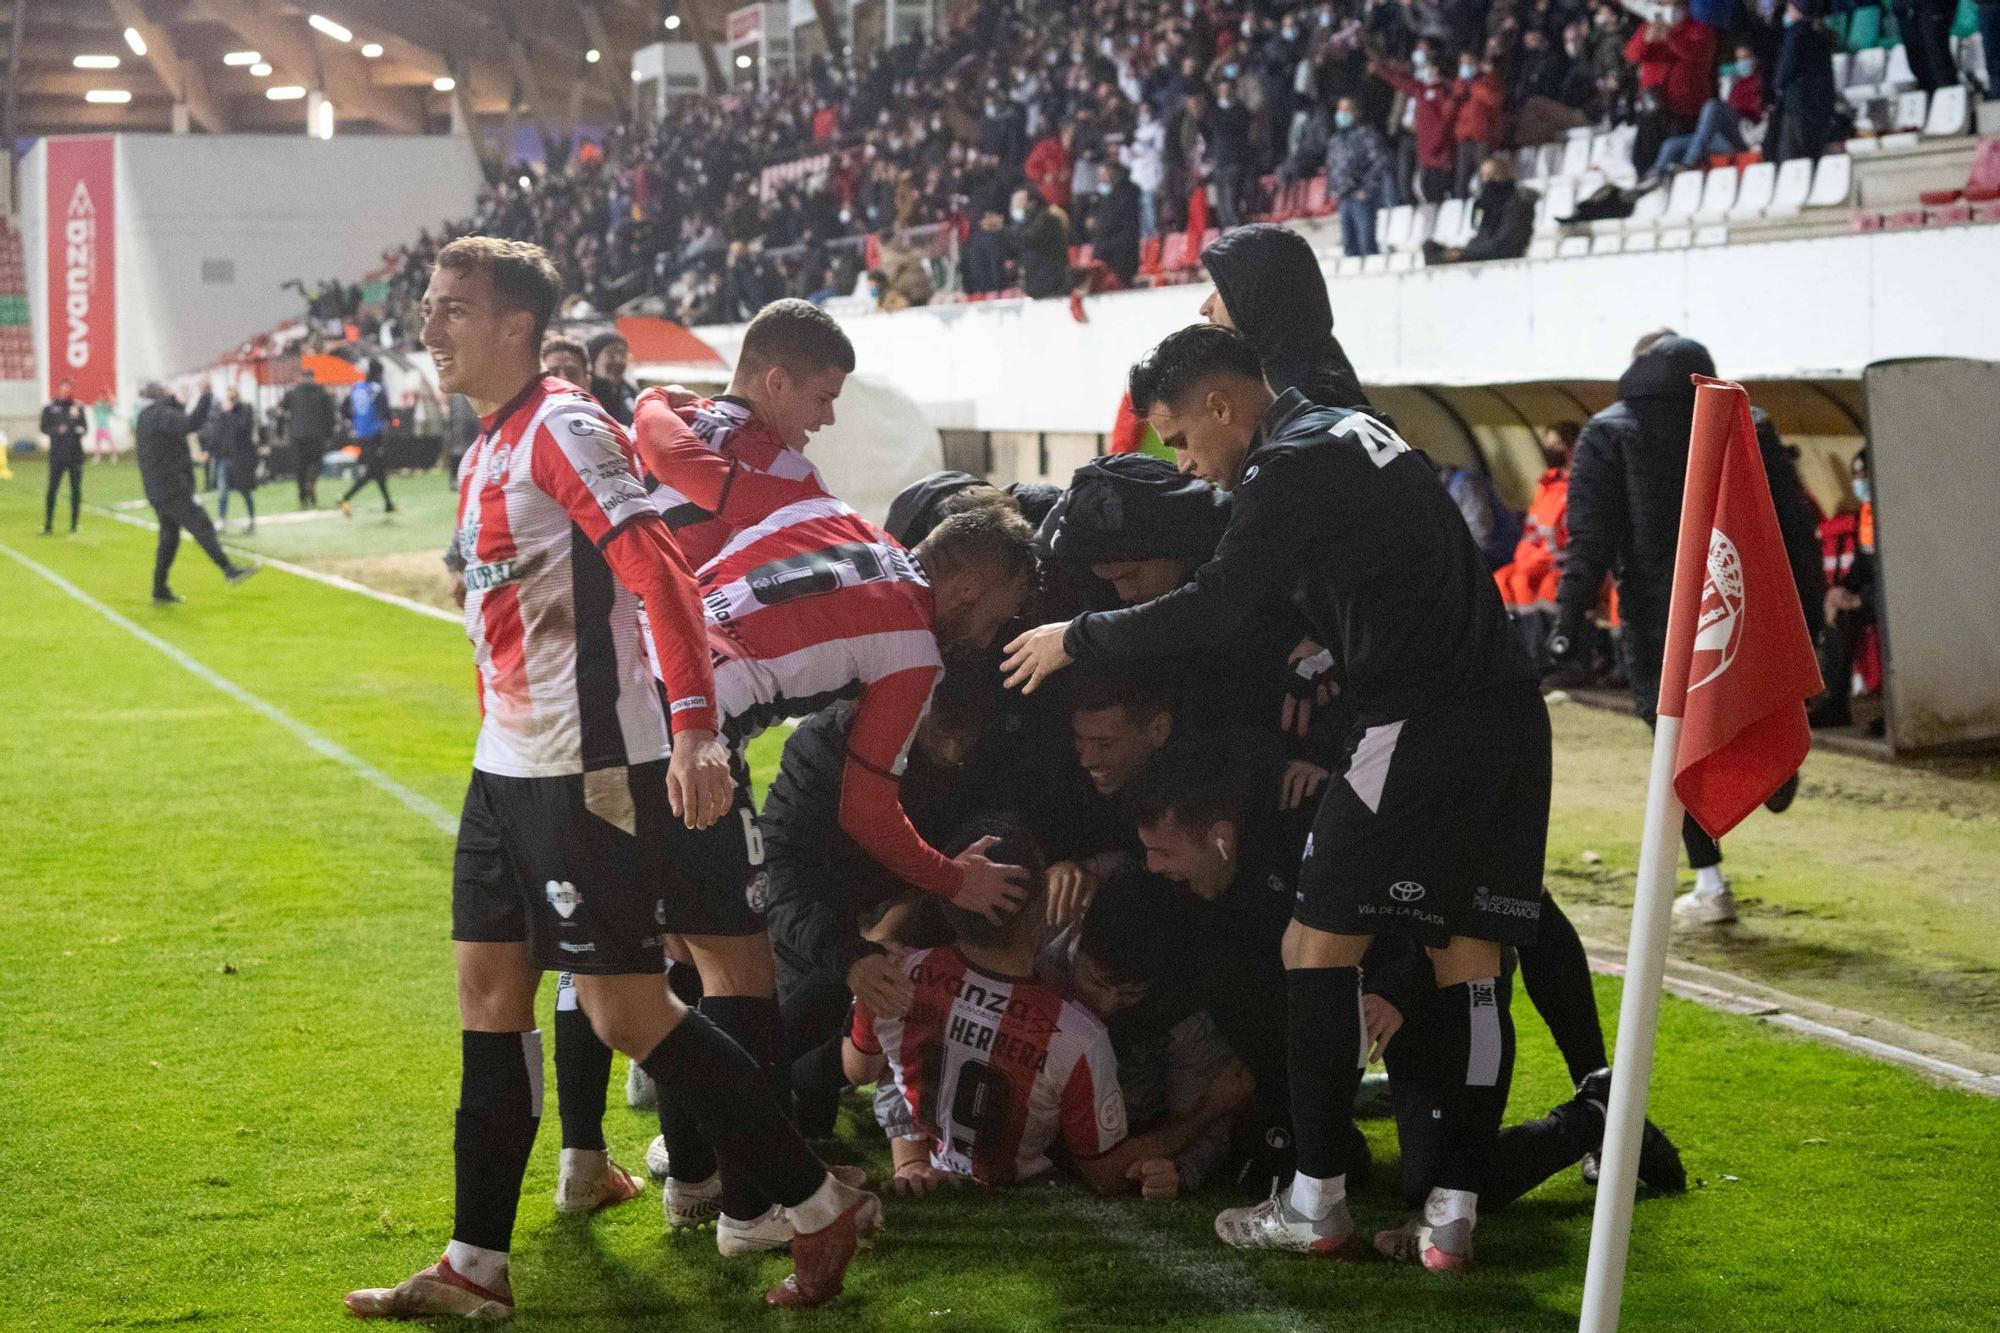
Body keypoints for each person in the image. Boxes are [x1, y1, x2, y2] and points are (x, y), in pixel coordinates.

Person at [343, 236, 874, 1321]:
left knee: (632, 1010)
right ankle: (474, 1264)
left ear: (516, 328)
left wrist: (692, 729)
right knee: (489, 999)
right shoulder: (484, 445)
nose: (429, 327)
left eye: (452, 309)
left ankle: (815, 1206)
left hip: (586, 771)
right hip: (505, 772)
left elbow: (658, 571)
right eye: (429, 306)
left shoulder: (563, 426)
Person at [1003, 324, 1549, 1270]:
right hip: (1510, 720)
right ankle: (1452, 1218)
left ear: (1221, 404)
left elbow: (1219, 602)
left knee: (1311, 946)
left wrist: (1078, 637)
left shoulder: (1282, 463)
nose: (1187, 461)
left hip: (1412, 722)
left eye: (1178, 438)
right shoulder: (1354, 428)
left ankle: (1317, 1198)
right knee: (1470, 957)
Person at [648, 498, 1039, 1255]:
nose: (991, 637)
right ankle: (752, 1205)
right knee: (740, 977)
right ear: (964, 588)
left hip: (630, 687)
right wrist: (954, 881)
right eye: (998, 617)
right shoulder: (911, 648)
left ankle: (695, 1178)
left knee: (663, 972)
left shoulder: (845, 521)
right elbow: (868, 810)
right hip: (693, 734)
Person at [1551, 333, 1821, 927]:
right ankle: (1773, 768)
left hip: (1659, 615)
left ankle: (1711, 880)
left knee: (1676, 742)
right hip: (1742, 597)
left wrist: (1568, 623)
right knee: (1749, 700)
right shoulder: (1748, 419)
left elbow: (1588, 541)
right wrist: (1812, 611)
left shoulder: (1608, 430)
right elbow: (1794, 525)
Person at [843, 822, 1252, 1196]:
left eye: (1129, 995)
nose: (1106, 1004)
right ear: (1065, 925)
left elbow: (869, 1067)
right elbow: (1107, 1172)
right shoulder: (1075, 1031)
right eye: (1097, 981)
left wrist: (1178, 1168)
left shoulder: (901, 972)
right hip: (1051, 1155)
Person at [134, 383, 259, 605]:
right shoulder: (163, 415)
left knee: (169, 538)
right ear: (162, 395)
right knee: (201, 524)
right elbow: (190, 423)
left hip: (156, 487)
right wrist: (206, 394)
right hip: (172, 486)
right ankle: (228, 568)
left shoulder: (146, 417)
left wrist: (183, 402)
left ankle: (159, 588)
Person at [1494, 422, 1581, 668]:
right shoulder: (1547, 485)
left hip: (1560, 563)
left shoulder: (1579, 484)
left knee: (1537, 586)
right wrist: (1526, 560)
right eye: (1547, 446)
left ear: (1571, 447)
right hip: (1535, 559)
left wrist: (1536, 562)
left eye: (1555, 445)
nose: (1549, 451)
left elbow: (1567, 539)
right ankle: (1514, 652)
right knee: (1501, 579)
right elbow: (1533, 531)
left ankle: (1543, 658)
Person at [1641, 45, 1765, 183]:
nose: (1742, 63)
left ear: (1755, 59)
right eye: (1739, 59)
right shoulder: (1738, 84)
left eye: (1745, 58)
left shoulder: (1761, 83)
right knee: (1671, 145)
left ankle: (1690, 162)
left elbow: (1761, 114)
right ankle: (1655, 176)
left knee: (1712, 106)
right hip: (1723, 138)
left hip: (1745, 134)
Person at [1422, 154, 1538, 265]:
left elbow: (1505, 242)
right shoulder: (1486, 202)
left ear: (1505, 175)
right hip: (1481, 249)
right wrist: (1465, 250)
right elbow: (1481, 233)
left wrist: (1465, 254)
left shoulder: (1518, 202)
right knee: (1430, 248)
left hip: (1500, 253)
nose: (1488, 181)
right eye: (1484, 176)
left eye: (1493, 175)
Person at [1324, 96, 1393, 259]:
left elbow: (1380, 163)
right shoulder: (1335, 140)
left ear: (1356, 113)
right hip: (1344, 197)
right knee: (1349, 245)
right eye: (1339, 110)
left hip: (1361, 197)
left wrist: (1367, 189)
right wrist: (1333, 191)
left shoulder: (1366, 135)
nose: (1341, 114)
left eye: (1346, 110)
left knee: (1366, 242)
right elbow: (1332, 166)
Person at [338, 360, 394, 518]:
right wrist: (391, 422)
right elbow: (386, 412)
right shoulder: (376, 389)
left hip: (361, 435)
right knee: (372, 471)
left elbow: (344, 409)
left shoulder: (357, 387)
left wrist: (355, 420)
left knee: (378, 470)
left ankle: (388, 503)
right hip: (374, 435)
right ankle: (345, 498)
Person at [281, 368, 336, 508]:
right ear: (313, 377)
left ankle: (302, 498)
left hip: (297, 435)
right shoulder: (322, 393)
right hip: (317, 435)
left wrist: (282, 431)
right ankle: (311, 483)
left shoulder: (292, 393)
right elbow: (330, 416)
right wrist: (329, 434)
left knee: (300, 467)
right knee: (317, 463)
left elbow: (281, 411)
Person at [41, 378, 88, 535]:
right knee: (52, 489)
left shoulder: (78, 407)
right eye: (63, 388)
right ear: (59, 389)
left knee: (76, 490)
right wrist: (56, 430)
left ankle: (74, 524)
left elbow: (84, 428)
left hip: (75, 455)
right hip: (57, 455)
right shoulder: (50, 408)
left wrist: (77, 429)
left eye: (69, 389)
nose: (66, 391)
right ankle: (48, 524)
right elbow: (44, 427)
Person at [1006, 187, 1071, 299]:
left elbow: (1030, 239)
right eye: (1014, 202)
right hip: (1035, 282)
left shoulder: (1046, 219)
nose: (1015, 206)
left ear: (1032, 203)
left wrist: (1003, 230)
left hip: (1051, 281)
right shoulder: (1021, 226)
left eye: (1019, 202)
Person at [1087, 161, 1143, 289]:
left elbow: (1127, 228)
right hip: (1106, 254)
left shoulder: (1126, 194)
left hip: (1120, 257)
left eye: (1103, 174)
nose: (1101, 178)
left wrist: (1105, 246)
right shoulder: (1105, 196)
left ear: (1113, 172)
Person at [210, 389, 260, 534]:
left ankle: (251, 520)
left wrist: (229, 413)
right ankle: (221, 520)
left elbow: (242, 429)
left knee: (245, 490)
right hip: (224, 456)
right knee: (222, 491)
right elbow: (218, 432)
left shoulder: (245, 410)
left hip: (240, 457)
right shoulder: (221, 413)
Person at [586, 331, 636, 426]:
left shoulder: (630, 392)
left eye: (622, 354)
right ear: (593, 359)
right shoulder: (585, 393)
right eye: (611, 354)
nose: (618, 360)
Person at [90, 392, 117, 463]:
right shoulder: (96, 405)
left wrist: (109, 393)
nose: (100, 398)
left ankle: (114, 456)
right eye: (99, 397)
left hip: (105, 427)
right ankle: (97, 457)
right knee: (97, 443)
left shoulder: (106, 406)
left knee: (110, 442)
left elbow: (114, 403)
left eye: (102, 397)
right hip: (98, 427)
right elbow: (93, 405)